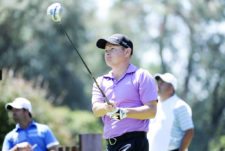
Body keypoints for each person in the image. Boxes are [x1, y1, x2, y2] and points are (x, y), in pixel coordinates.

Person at [92, 33, 158, 151]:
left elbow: (151, 111)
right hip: (110, 144)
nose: (107, 52)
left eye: (112, 49)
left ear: (127, 52)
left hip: (134, 142)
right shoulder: (100, 81)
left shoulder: (141, 75)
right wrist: (106, 107)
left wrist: (124, 112)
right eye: (106, 50)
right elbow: (96, 110)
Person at [148, 73, 194, 151]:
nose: (159, 84)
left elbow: (189, 132)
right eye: (159, 82)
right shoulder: (154, 104)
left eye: (163, 83)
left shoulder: (180, 106)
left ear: (171, 89)